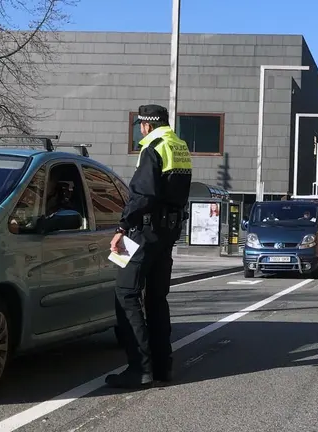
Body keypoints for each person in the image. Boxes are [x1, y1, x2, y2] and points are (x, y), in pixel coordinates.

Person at [106, 104, 193, 388]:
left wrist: (121, 227)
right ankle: (162, 366)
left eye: (140, 126)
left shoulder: (153, 147)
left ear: (146, 125)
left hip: (145, 230)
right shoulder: (179, 146)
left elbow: (143, 195)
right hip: (168, 232)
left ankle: (140, 369)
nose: (140, 130)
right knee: (156, 298)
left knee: (126, 293)